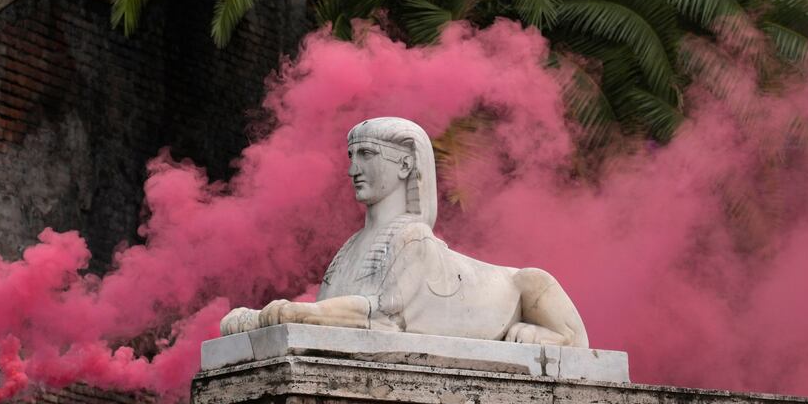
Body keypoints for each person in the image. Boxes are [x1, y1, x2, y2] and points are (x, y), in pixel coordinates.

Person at [220, 117, 589, 347]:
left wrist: (292, 314)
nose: (353, 170)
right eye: (351, 157)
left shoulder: (414, 240)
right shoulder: (351, 248)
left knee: (532, 280)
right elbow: (334, 316)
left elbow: (378, 316)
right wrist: (268, 318)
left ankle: (562, 335)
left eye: (366, 155)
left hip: (512, 301)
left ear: (405, 165)